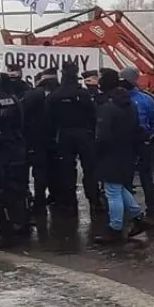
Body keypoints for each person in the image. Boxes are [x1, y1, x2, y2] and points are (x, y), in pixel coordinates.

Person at [92, 69, 148, 245]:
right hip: (127, 151)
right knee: (119, 187)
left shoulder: (107, 107)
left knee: (112, 191)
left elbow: (103, 135)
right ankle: (138, 217)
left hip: (111, 153)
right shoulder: (128, 102)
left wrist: (96, 150)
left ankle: (115, 228)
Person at [0, 62, 30, 242]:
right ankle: (21, 223)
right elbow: (20, 123)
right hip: (16, 148)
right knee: (18, 190)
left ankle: (7, 229)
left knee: (1, 193)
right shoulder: (13, 98)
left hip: (0, 151)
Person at [46, 61, 100, 215]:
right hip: (84, 134)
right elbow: (93, 114)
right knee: (90, 169)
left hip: (63, 135)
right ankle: (94, 200)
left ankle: (69, 202)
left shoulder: (54, 95)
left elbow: (49, 119)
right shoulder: (82, 94)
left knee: (67, 170)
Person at [120, 66, 154, 224]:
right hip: (125, 145)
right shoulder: (117, 97)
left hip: (142, 145)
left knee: (146, 179)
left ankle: (151, 212)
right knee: (125, 179)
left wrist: (148, 137)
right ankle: (130, 211)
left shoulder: (146, 98)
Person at [22, 66, 59, 215]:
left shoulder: (32, 95)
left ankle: (39, 201)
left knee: (40, 172)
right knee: (57, 170)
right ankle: (57, 197)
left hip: (37, 138)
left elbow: (23, 115)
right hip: (56, 137)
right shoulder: (60, 93)